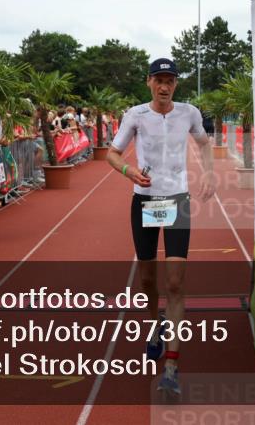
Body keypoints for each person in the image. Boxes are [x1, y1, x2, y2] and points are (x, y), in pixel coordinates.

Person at [106, 57, 215, 396]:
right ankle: (155, 326)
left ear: (176, 84)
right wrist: (129, 172)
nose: (164, 86)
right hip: (147, 201)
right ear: (149, 82)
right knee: (149, 277)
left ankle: (171, 365)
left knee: (176, 282)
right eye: (159, 80)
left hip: (176, 200)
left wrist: (209, 172)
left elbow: (204, 143)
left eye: (170, 80)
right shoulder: (136, 115)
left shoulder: (189, 112)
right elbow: (112, 153)